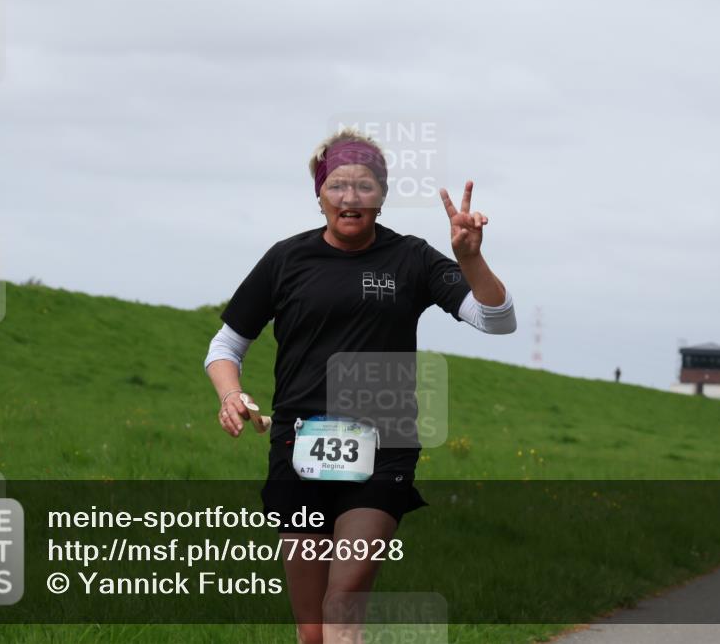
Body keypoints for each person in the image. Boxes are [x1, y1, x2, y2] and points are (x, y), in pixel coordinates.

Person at [204, 128, 516, 644]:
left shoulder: (412, 258)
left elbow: (496, 321)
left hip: (383, 450)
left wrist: (469, 258)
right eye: (337, 185)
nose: (350, 197)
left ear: (382, 195)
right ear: (319, 195)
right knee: (312, 631)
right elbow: (225, 346)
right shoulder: (287, 259)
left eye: (364, 186)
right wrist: (230, 395)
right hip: (298, 448)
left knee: (343, 603)